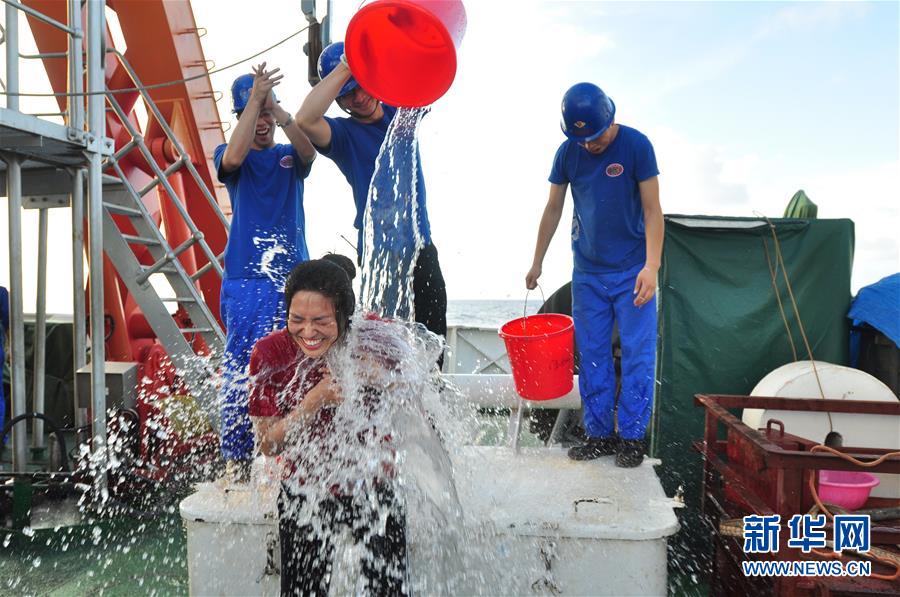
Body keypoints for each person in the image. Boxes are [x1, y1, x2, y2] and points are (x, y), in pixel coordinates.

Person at [249, 258, 407, 596]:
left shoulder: (377, 340)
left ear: (345, 316)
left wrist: (377, 376)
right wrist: (314, 400)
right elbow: (268, 445)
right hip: (306, 489)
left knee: (389, 590)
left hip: (374, 484)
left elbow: (417, 396)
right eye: (297, 319)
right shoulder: (270, 353)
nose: (308, 332)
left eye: (321, 321)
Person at [525, 83, 664, 468]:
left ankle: (632, 437)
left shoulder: (637, 146)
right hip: (587, 272)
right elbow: (553, 208)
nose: (589, 144)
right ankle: (599, 434)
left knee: (637, 354)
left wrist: (652, 266)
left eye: (595, 136)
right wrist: (537, 261)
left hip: (633, 270)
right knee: (592, 355)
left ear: (610, 119)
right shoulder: (568, 153)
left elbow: (653, 210)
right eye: (581, 139)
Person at [296, 42, 447, 343]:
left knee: (433, 335)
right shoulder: (343, 135)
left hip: (420, 243)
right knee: (386, 342)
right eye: (348, 93)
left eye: (362, 85)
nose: (359, 97)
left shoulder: (401, 111)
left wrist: (372, 56)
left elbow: (425, 64)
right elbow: (304, 119)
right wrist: (347, 66)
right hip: (380, 254)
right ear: (339, 100)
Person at [215, 63, 317, 468]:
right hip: (247, 281)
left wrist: (276, 108)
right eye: (253, 113)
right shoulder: (228, 152)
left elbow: (309, 151)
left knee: (299, 362)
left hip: (294, 279)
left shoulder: (288, 154)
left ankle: (293, 457)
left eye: (266, 113)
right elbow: (233, 157)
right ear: (241, 116)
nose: (262, 122)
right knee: (243, 366)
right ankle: (237, 461)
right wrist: (257, 98)